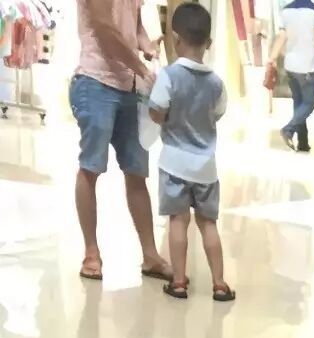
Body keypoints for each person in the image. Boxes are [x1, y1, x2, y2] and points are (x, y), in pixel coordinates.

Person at [70, 0, 171, 284]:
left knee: (137, 172)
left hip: (129, 86)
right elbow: (104, 29)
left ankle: (150, 255)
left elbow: (134, 25)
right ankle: (91, 252)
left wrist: (147, 45)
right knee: (91, 167)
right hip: (95, 80)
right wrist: (141, 67)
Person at [146, 3, 232, 303]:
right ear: (209, 43)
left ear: (176, 39)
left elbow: (156, 112)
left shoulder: (168, 76)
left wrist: (168, 116)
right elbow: (217, 114)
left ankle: (179, 282)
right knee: (208, 224)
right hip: (206, 167)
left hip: (174, 164)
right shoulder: (217, 83)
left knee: (178, 221)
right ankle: (219, 284)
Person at [271, 0, 314, 153]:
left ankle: (303, 142)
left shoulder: (286, 11)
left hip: (290, 66)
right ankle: (288, 130)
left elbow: (282, 36)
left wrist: (273, 57)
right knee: (310, 102)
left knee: (299, 102)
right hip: (307, 67)